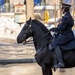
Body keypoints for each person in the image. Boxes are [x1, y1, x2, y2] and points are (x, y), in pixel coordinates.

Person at [50, 3, 74, 68]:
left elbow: (62, 28)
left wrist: (54, 29)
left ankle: (61, 62)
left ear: (64, 9)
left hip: (66, 35)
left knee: (55, 44)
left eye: (62, 9)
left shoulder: (66, 17)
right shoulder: (69, 16)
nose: (61, 10)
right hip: (68, 34)